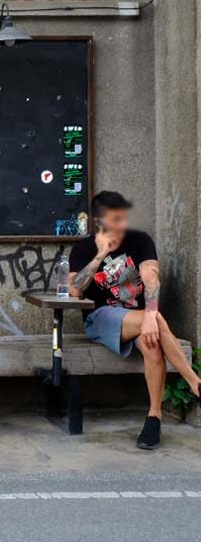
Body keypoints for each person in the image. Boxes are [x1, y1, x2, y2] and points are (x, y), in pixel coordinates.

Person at [69, 191, 201, 450]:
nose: (122, 224)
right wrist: (99, 255)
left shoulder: (140, 240)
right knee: (154, 322)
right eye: (115, 219)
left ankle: (154, 417)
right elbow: (74, 291)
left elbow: (151, 278)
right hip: (100, 318)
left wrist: (150, 315)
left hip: (141, 319)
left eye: (124, 217)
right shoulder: (83, 249)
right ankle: (195, 383)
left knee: (152, 345)